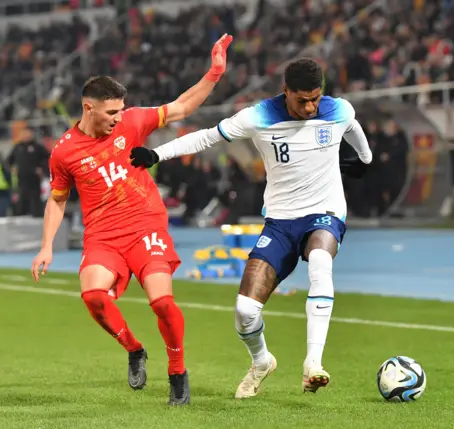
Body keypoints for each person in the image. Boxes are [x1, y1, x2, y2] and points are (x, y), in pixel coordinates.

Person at [130, 58, 372, 398]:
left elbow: (354, 127)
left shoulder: (337, 111)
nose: (310, 107)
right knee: (245, 311)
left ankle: (312, 365)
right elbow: (207, 137)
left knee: (320, 261)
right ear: (285, 91)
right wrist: (156, 154)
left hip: (325, 211)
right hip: (280, 220)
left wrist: (365, 159)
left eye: (315, 98)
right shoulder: (258, 116)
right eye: (302, 99)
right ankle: (261, 361)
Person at [31, 34, 233, 406]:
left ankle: (177, 373)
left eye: (121, 111)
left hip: (146, 227)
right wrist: (46, 245)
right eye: (111, 113)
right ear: (88, 108)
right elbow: (57, 200)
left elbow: (181, 108)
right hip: (103, 236)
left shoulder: (133, 122)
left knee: (161, 303)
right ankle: (134, 348)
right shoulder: (65, 152)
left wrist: (215, 73)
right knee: (93, 297)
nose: (119, 118)